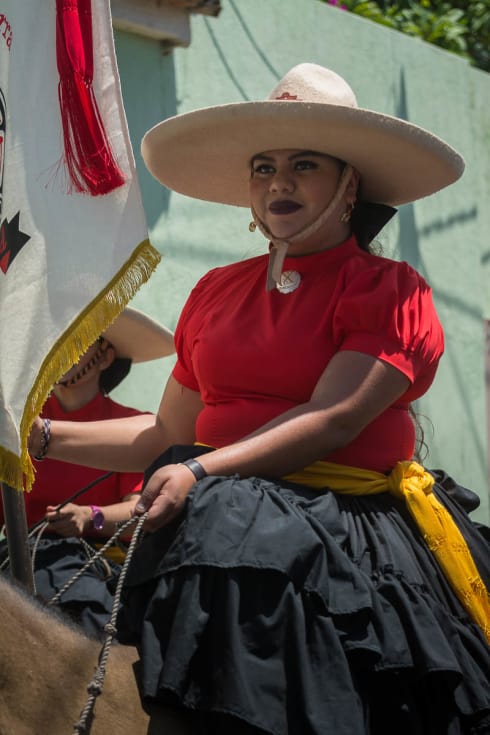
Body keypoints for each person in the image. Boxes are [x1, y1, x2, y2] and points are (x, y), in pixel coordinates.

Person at [27, 64, 489, 733]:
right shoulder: (215, 291)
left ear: (348, 183)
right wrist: (32, 434)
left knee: (235, 524)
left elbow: (332, 419)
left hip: (336, 520)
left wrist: (194, 471)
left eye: (304, 164)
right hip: (215, 501)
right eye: (264, 167)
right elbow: (164, 435)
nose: (279, 182)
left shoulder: (390, 290)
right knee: (47, 564)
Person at [1, 307, 174, 639]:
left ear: (105, 357)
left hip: (98, 564)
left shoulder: (131, 427)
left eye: (76, 339)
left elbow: (140, 510)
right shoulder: (17, 424)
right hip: (21, 560)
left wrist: (89, 516)